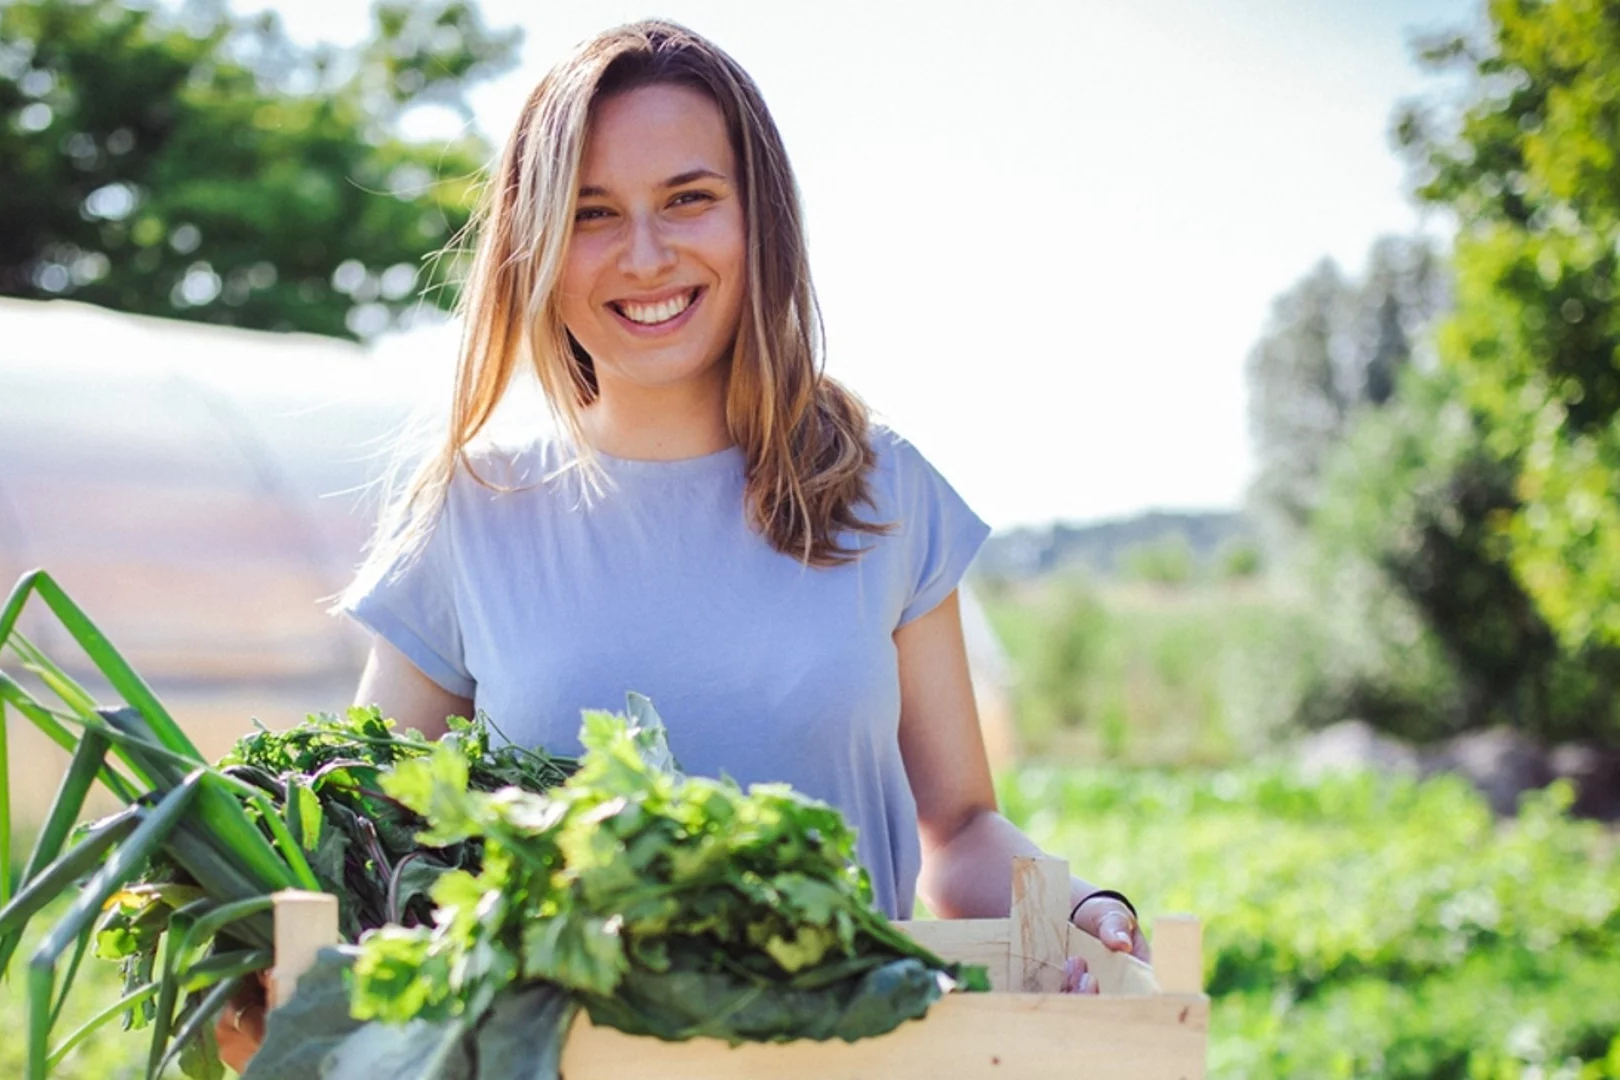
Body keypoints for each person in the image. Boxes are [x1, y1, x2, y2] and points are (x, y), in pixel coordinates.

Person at [217, 18, 1147, 1070]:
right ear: (536, 244)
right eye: (592, 213)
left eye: (689, 199)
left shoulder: (881, 492)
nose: (646, 255)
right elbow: (367, 850)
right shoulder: (470, 512)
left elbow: (962, 827)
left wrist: (1077, 906)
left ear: (761, 221)